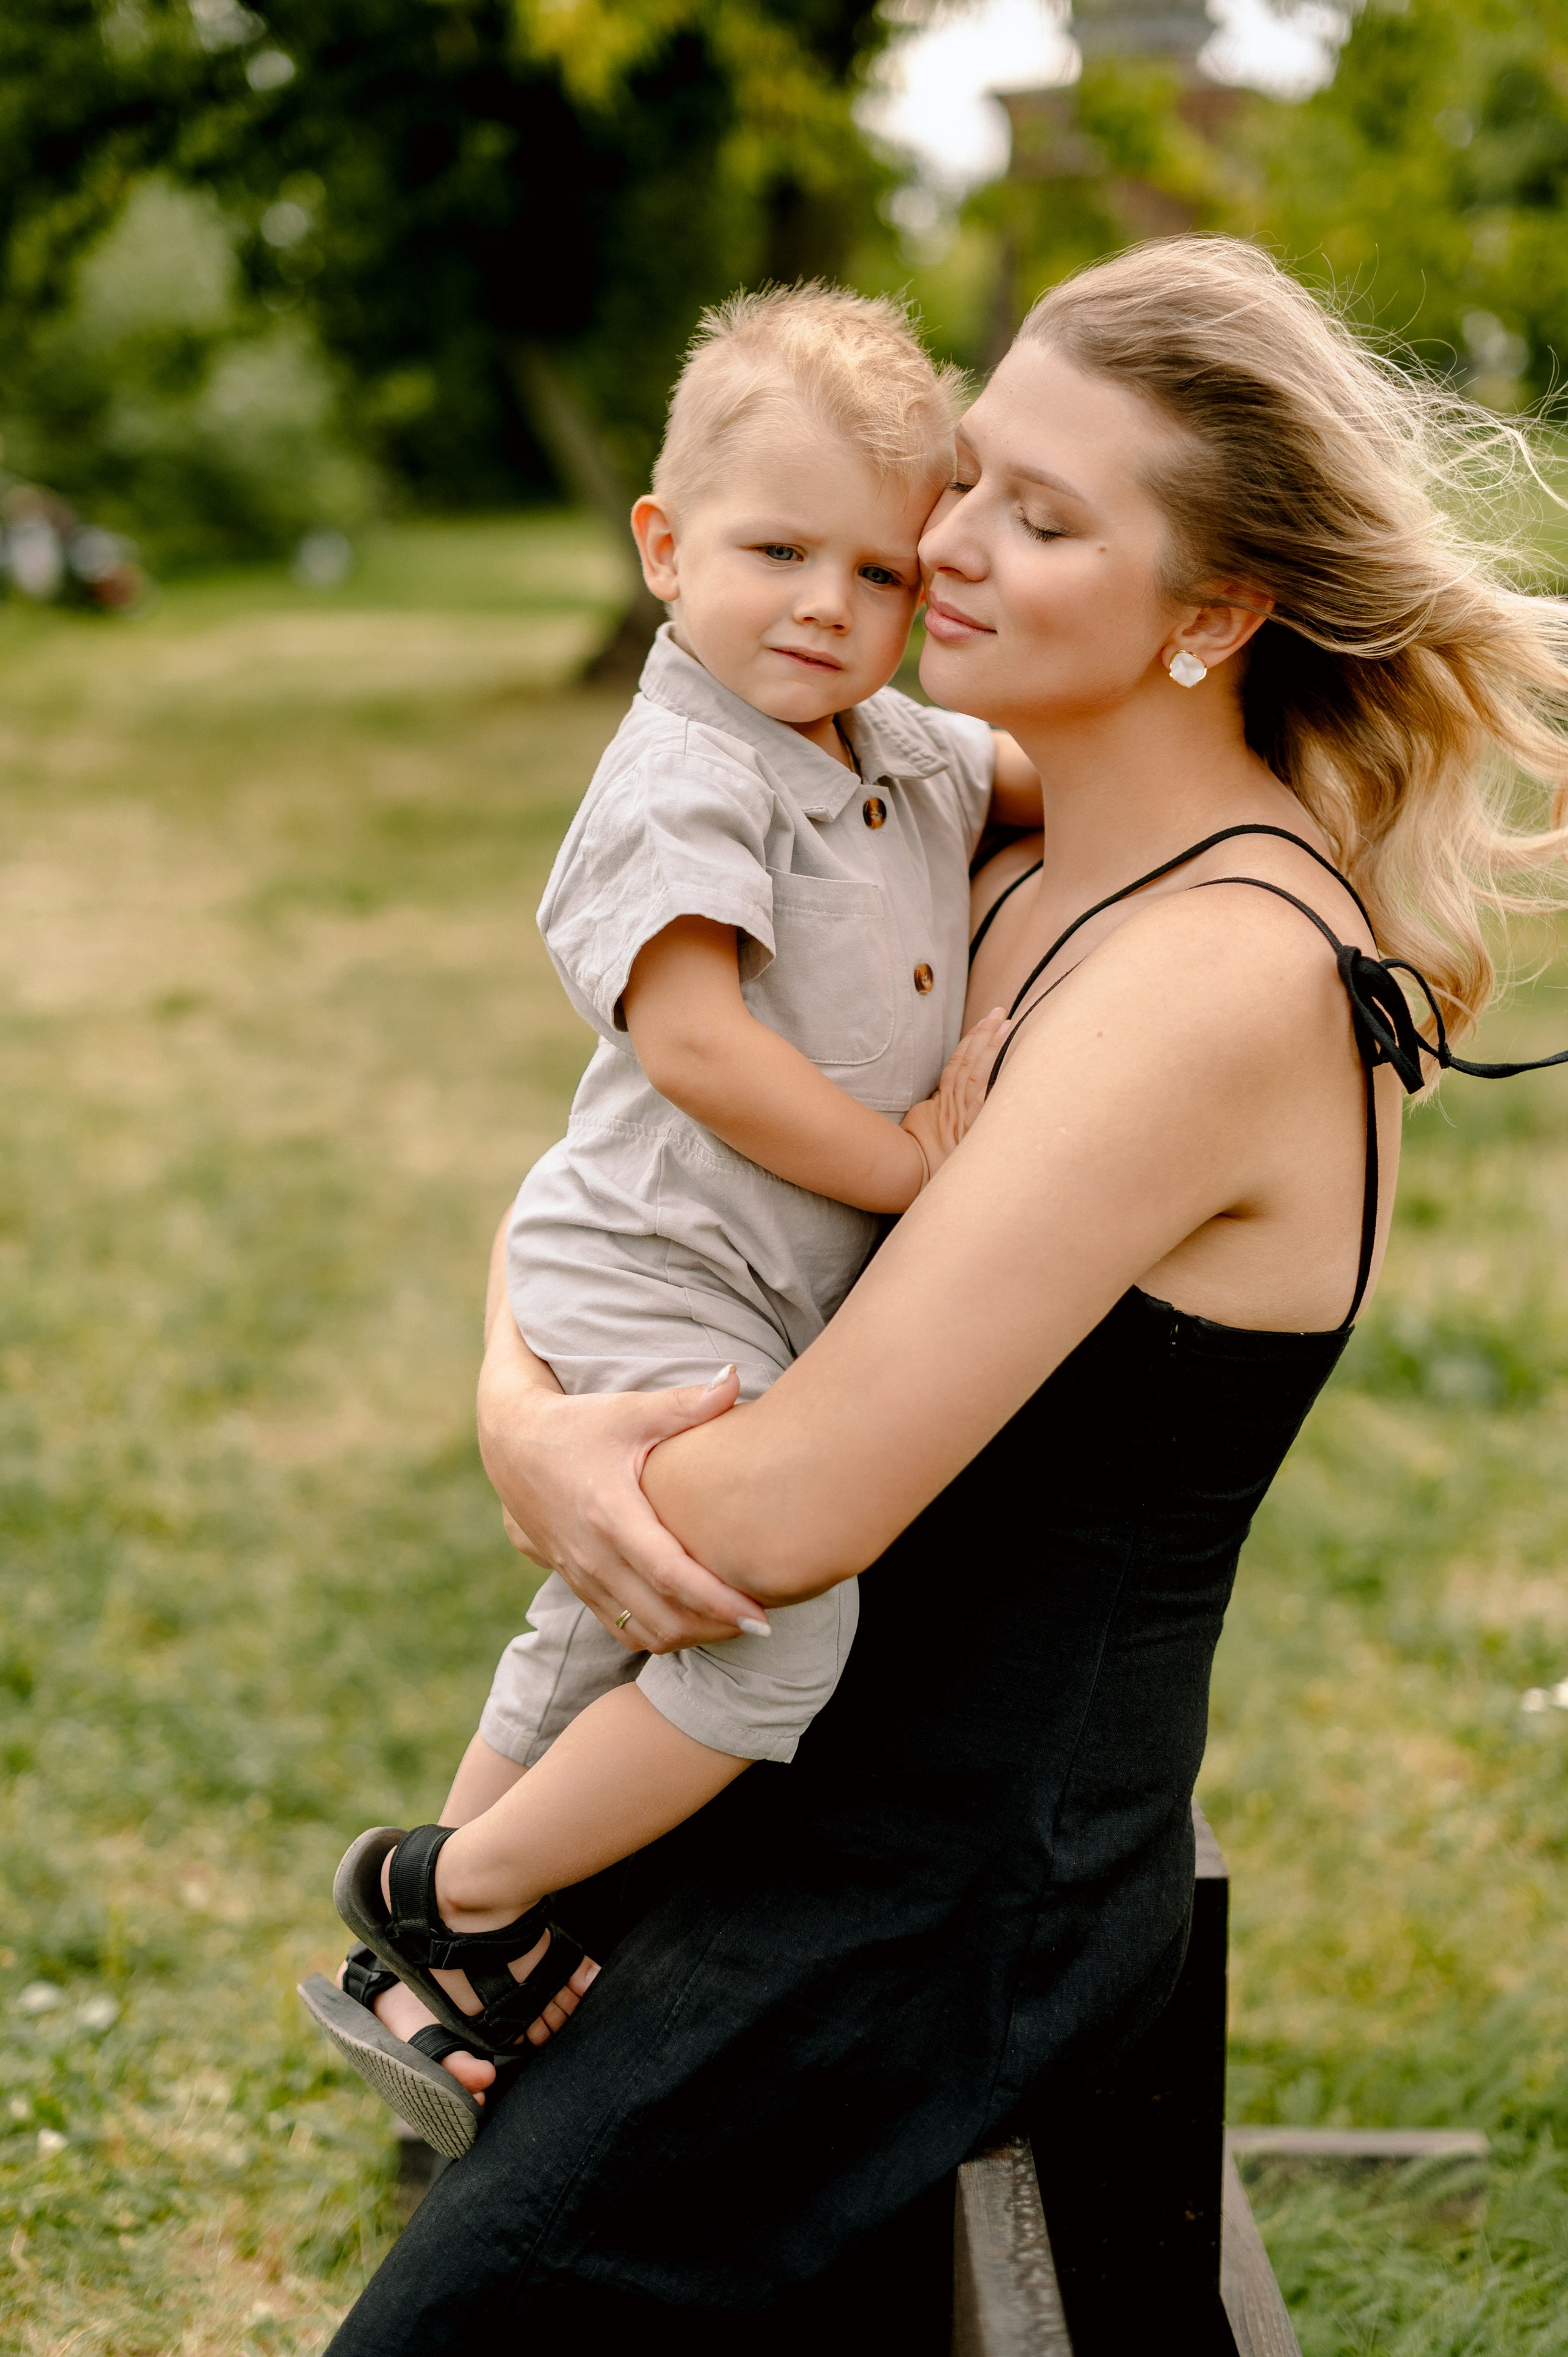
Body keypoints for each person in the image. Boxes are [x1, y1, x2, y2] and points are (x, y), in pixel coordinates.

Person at [326, 236, 1568, 2353]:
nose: (947, 541)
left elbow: (772, 1523)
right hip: (794, 1776)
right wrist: (521, 1402)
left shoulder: (1213, 978)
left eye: (1043, 517)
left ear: (1214, 616)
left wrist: (530, 1431)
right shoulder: (991, 852)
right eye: (971, 477)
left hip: (946, 1890)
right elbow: (641, 1151)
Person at [298, 284, 1041, 2157]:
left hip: (737, 1289)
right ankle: (453, 1896)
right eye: (776, 551)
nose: (825, 609)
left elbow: (1061, 779)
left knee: (600, 1604)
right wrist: (931, 1176)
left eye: (880, 572)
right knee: (770, 1629)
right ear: (663, 547)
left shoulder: (890, 748)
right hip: (655, 1263)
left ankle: (449, 1949)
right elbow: (699, 1043)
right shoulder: (689, 769)